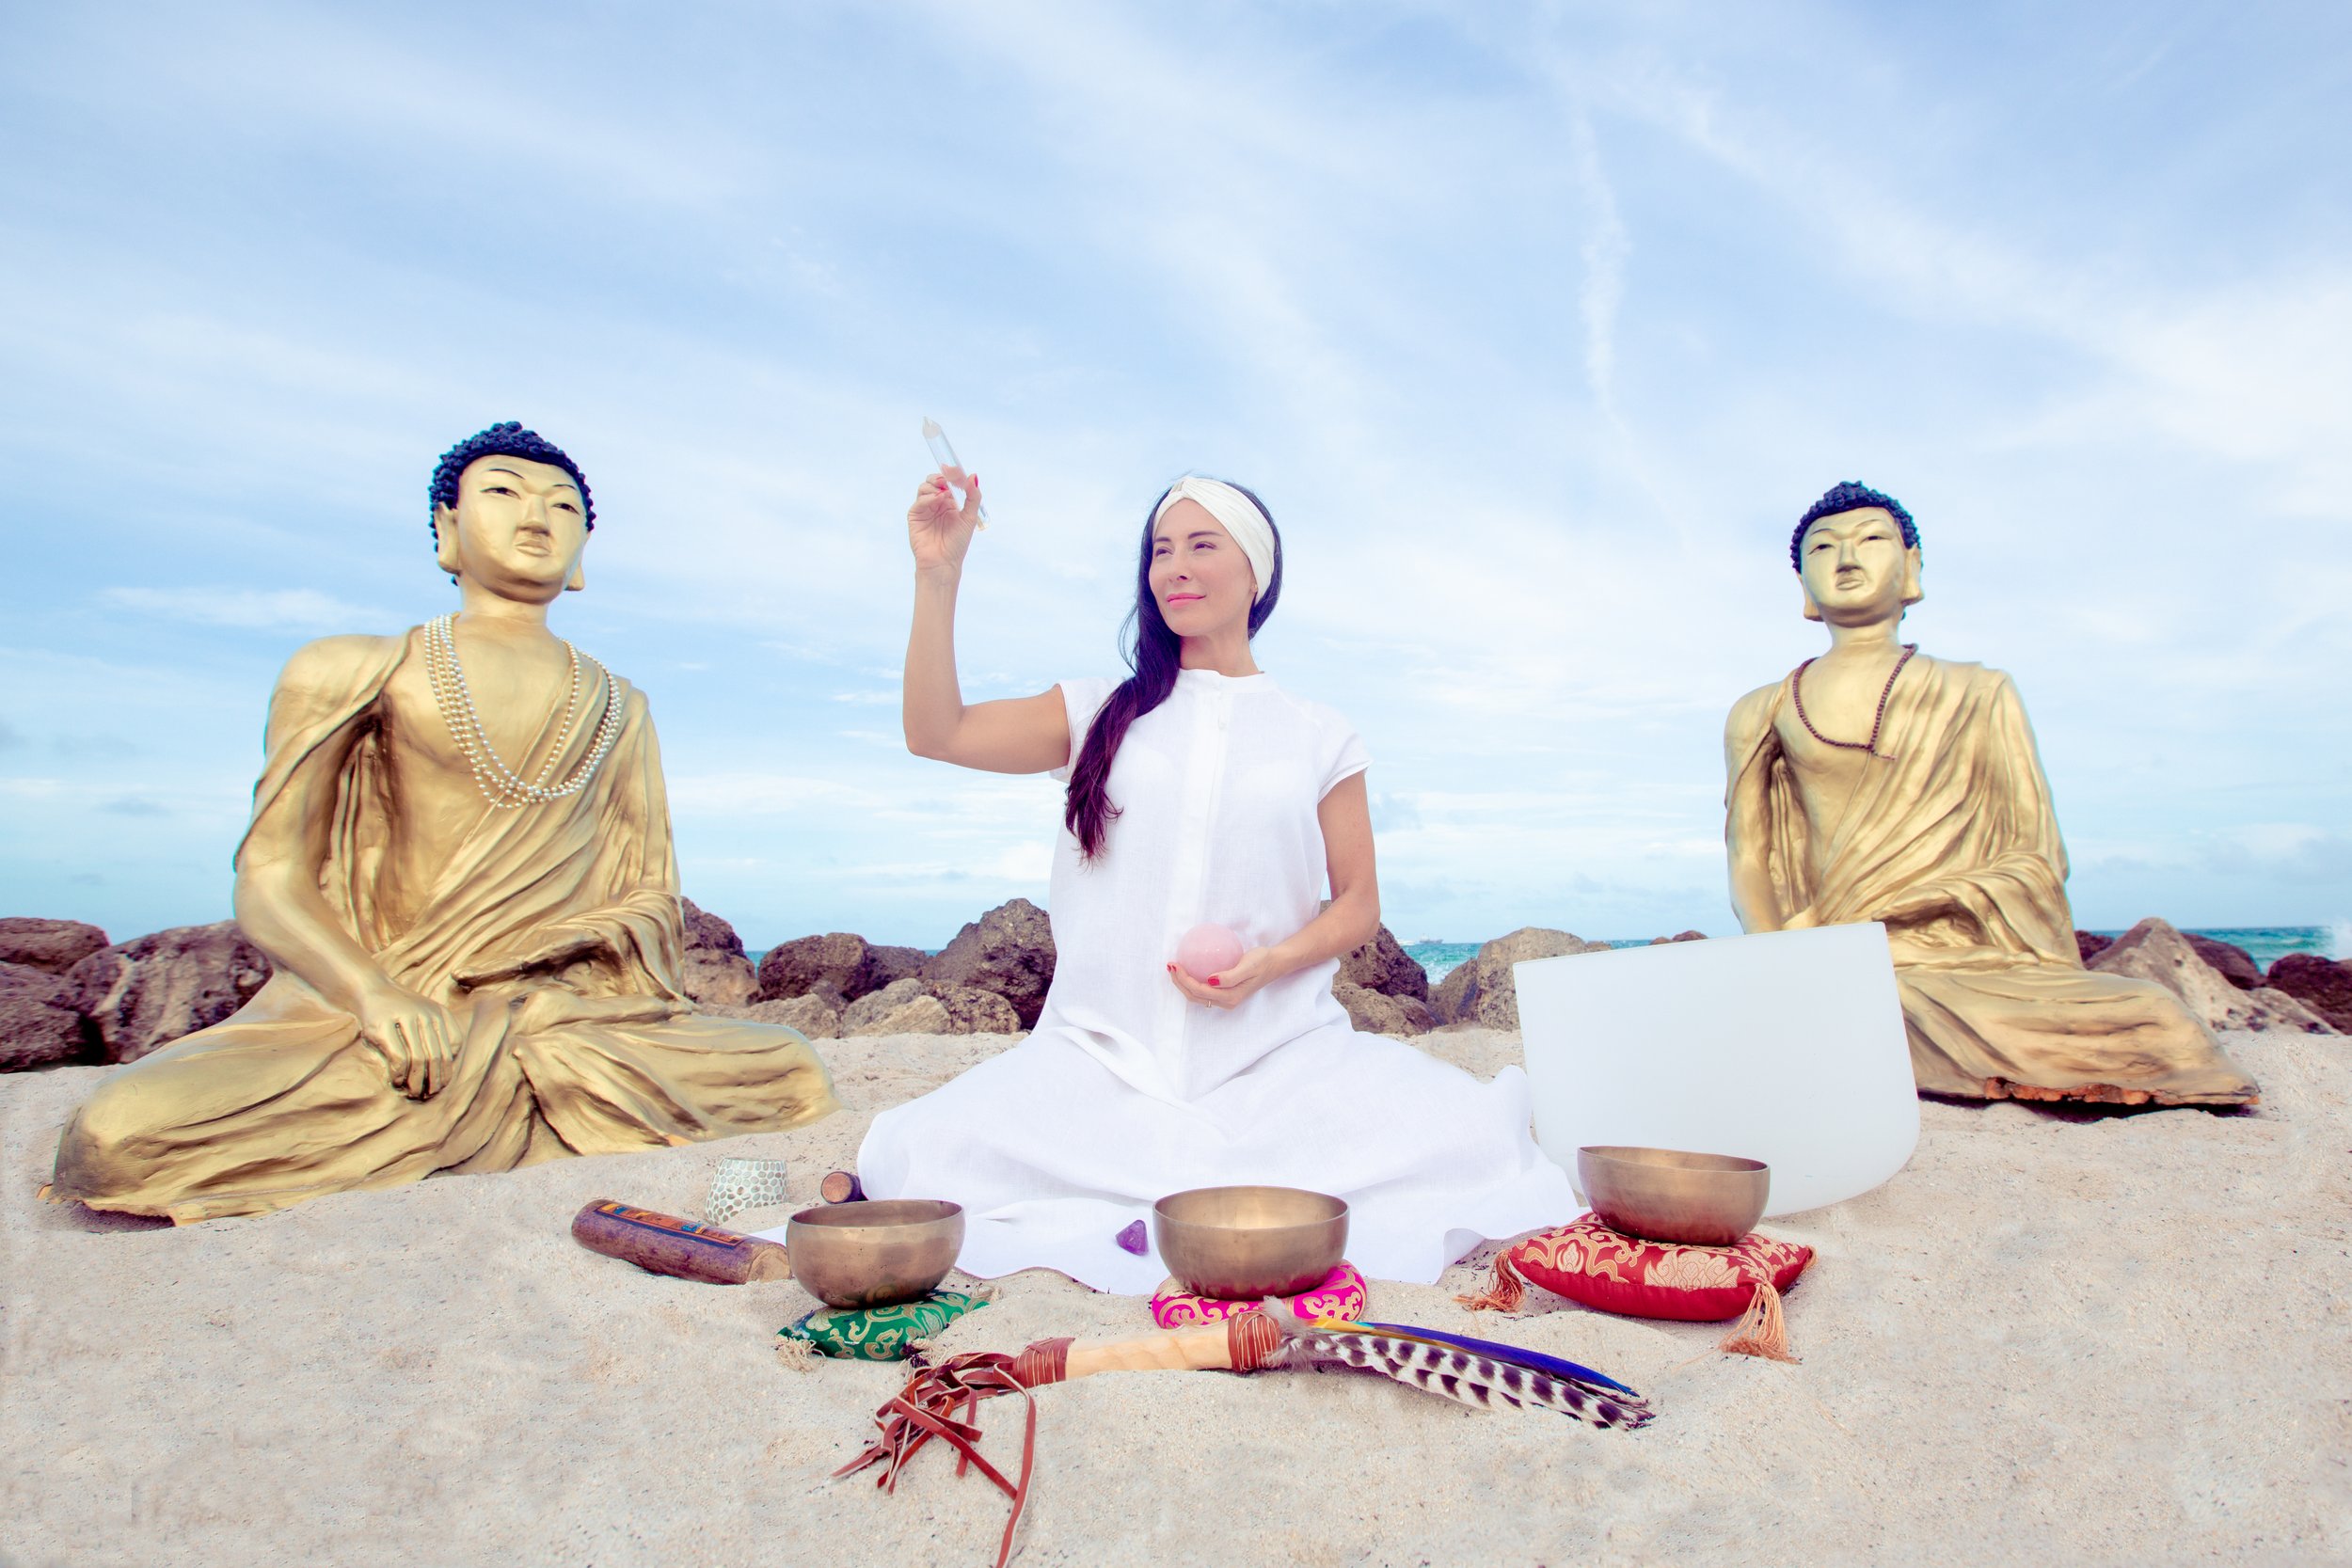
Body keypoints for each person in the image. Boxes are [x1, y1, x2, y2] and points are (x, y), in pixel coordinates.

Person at [47, 422, 840, 1222]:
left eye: (563, 506)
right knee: (118, 1134)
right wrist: (374, 996)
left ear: (582, 553)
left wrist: (570, 942)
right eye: (503, 492)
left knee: (790, 1066)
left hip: (564, 1015)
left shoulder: (619, 705)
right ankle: (503, 1100)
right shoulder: (353, 669)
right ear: (446, 528)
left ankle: (508, 1091)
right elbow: (271, 877)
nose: (536, 517)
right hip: (391, 1008)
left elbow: (650, 893)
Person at [853, 465, 1573, 1292]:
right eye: (1161, 550)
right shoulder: (1097, 711)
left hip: (1275, 1060)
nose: (1175, 567)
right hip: (1099, 1061)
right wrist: (937, 574)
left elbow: (1358, 904)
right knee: (930, 1144)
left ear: (1256, 572)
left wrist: (1270, 964)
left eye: (1202, 545)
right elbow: (935, 731)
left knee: (1469, 1133)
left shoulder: (1318, 733)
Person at [1723, 481, 2256, 1106]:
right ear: (1803, 585)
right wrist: (1777, 959)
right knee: (1826, 999)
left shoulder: (1980, 691)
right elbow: (1749, 853)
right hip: (1832, 953)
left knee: (2153, 1013)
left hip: (1962, 954)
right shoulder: (1764, 708)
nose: (1845, 559)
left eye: (1870, 540)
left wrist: (1910, 901)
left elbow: (2036, 856)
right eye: (1822, 548)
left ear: (1911, 566)